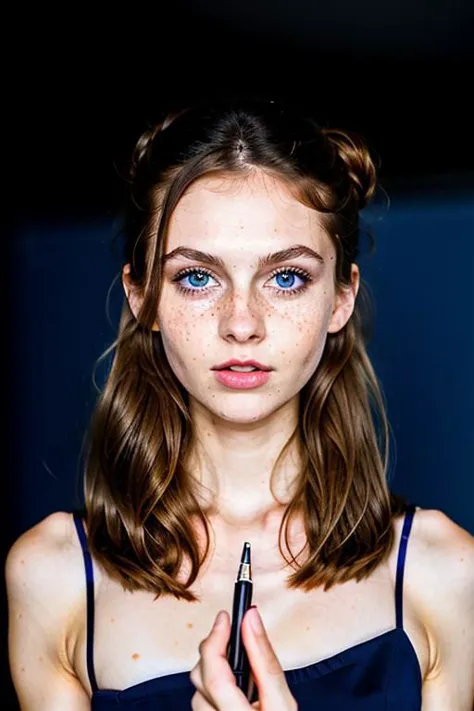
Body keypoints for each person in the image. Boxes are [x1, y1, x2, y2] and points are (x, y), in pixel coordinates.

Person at [5, 95, 474, 711]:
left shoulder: (443, 574)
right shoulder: (56, 578)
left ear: (341, 297)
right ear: (142, 296)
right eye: (197, 277)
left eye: (286, 277)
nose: (242, 323)